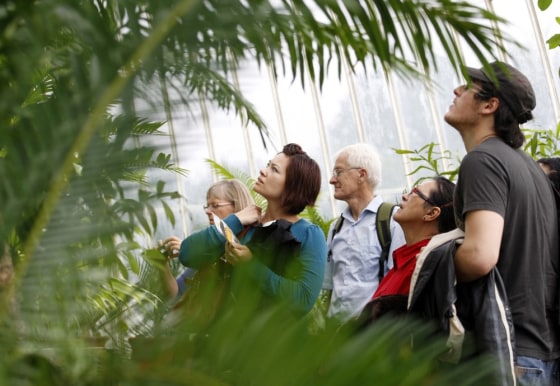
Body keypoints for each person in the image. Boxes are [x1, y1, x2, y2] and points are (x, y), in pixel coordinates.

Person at [444, 61, 560, 385]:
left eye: (467, 87)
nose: (456, 90)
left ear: (489, 105)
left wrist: (433, 260)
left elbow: (480, 255)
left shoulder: (482, 161)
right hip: (543, 351)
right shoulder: (531, 168)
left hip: (511, 355)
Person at [177, 143, 326, 319]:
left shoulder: (309, 234)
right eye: (268, 165)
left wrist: (250, 264)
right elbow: (186, 254)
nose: (263, 171)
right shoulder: (245, 226)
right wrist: (236, 219)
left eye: (274, 170)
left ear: (293, 185)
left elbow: (303, 300)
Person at [322, 143, 406, 323]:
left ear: (361, 174)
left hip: (372, 336)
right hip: (336, 335)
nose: (331, 180)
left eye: (338, 172)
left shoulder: (393, 221)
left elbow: (398, 285)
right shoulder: (336, 228)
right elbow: (330, 289)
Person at [358, 176, 455, 324]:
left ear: (431, 213)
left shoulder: (423, 268)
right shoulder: (403, 259)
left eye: (415, 192)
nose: (404, 196)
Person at [159, 179, 255, 300]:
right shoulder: (210, 245)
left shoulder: (255, 239)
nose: (207, 211)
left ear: (237, 207)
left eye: (215, 205)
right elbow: (177, 292)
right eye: (207, 206)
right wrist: (162, 266)